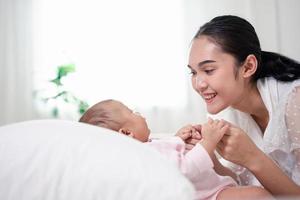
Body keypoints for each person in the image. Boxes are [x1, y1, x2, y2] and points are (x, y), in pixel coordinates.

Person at [187, 15, 300, 198]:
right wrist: (212, 160)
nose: (198, 84)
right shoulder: (224, 111)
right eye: (193, 72)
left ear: (248, 67)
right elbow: (243, 184)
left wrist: (252, 157)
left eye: (208, 70)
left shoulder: (294, 101)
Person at [79, 99, 273, 200]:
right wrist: (209, 141)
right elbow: (185, 169)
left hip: (212, 188)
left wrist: (179, 138)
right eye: (132, 112)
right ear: (127, 133)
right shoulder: (147, 156)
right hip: (209, 195)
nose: (138, 113)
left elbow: (169, 149)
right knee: (259, 196)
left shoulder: (150, 146)